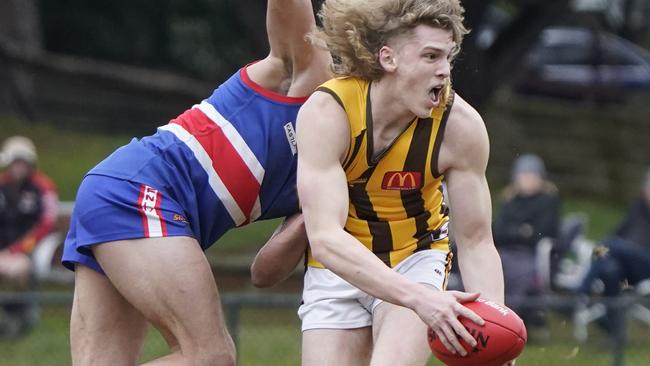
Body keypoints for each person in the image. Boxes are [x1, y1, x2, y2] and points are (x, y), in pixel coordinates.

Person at [60, 0, 331, 364]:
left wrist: (318, 210)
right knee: (211, 357)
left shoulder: (339, 165)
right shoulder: (313, 76)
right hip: (139, 191)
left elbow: (264, 273)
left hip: (119, 192)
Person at [254, 1, 509, 365]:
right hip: (340, 264)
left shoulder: (460, 127)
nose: (444, 72)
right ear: (389, 59)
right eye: (431, 57)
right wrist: (420, 300)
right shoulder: (329, 112)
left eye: (448, 58)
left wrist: (493, 322)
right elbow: (325, 240)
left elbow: (477, 240)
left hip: (416, 258)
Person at [577, 167, 650, 340]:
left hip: (646, 265)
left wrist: (610, 246)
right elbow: (618, 232)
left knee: (611, 246)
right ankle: (616, 332)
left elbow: (613, 242)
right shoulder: (638, 208)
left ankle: (582, 291)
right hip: (626, 265)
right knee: (610, 270)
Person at [0, 136, 58, 338]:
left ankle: (17, 318)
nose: (18, 168)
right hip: (3, 250)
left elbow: (47, 223)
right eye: (15, 162)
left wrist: (18, 249)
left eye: (22, 163)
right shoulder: (2, 186)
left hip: (27, 250)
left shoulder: (43, 187)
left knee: (17, 269)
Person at [493, 154, 560, 327]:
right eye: (523, 175)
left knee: (521, 273)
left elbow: (543, 232)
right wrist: (522, 231)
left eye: (532, 175)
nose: (527, 180)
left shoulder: (547, 201)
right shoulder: (510, 202)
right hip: (505, 251)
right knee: (491, 266)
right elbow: (498, 232)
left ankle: (512, 321)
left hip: (530, 255)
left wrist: (519, 232)